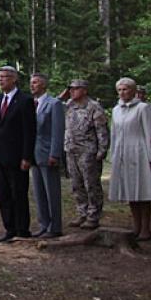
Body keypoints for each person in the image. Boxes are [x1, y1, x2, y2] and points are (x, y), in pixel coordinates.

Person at [109, 77, 151, 241]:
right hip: (123, 154)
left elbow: (149, 134)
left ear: (133, 90)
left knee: (143, 190)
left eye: (126, 89)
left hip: (139, 153)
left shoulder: (143, 108)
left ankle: (146, 228)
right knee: (130, 191)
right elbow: (114, 134)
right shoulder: (116, 110)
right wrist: (114, 155)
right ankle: (135, 226)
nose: (122, 93)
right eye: (120, 90)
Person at [0, 66, 36, 242]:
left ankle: (22, 230)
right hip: (0, 155)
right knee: (4, 195)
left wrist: (26, 156)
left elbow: (29, 131)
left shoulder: (24, 100)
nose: (1, 80)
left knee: (19, 193)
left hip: (17, 157)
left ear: (14, 79)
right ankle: (9, 228)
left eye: (5, 77)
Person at [63, 79, 109, 229]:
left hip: (88, 152)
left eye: (75, 89)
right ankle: (82, 213)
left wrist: (102, 150)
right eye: (70, 89)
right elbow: (55, 105)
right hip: (71, 150)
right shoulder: (69, 105)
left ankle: (93, 215)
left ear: (84, 90)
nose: (71, 91)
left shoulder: (94, 107)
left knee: (91, 185)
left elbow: (102, 130)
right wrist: (64, 95)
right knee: (76, 184)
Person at [30, 73, 64, 237]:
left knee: (52, 192)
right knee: (39, 192)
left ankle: (55, 227)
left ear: (43, 85)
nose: (32, 85)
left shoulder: (54, 103)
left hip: (48, 153)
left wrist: (55, 154)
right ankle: (43, 224)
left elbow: (57, 132)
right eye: (31, 83)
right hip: (34, 155)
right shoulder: (32, 104)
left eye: (35, 82)